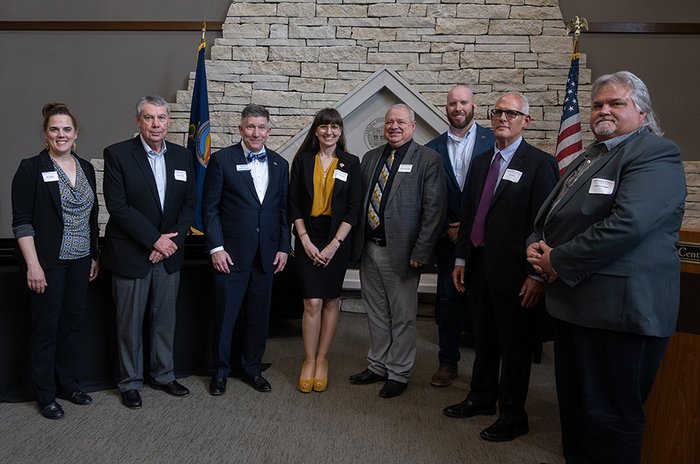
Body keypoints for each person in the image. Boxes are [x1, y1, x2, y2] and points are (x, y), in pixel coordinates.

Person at [526, 71, 686, 463]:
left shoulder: (655, 153)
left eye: (617, 103)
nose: (604, 111)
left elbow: (627, 224)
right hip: (576, 308)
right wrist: (535, 246)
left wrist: (557, 260)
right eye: (598, 104)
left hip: (618, 314)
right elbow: (555, 217)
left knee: (610, 420)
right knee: (578, 416)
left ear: (642, 112)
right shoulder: (594, 154)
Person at [443, 92, 559, 442]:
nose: (502, 118)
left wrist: (537, 274)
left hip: (517, 274)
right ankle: (480, 397)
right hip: (478, 268)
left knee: (514, 347)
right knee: (484, 340)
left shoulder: (540, 163)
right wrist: (461, 258)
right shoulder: (481, 162)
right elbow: (469, 215)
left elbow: (546, 225)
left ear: (526, 120)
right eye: (498, 112)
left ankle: (512, 414)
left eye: (511, 113)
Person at [103, 95, 196, 409]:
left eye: (161, 118)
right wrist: (155, 240)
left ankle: (164, 374)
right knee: (129, 323)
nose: (156, 124)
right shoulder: (117, 155)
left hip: (170, 255)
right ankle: (130, 382)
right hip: (132, 253)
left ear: (169, 121)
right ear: (138, 121)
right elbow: (118, 207)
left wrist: (170, 243)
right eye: (149, 118)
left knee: (164, 320)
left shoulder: (184, 157)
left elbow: (189, 206)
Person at [349, 103, 446, 398]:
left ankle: (399, 372)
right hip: (369, 249)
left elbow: (434, 211)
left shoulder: (429, 160)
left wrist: (422, 251)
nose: (394, 127)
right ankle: (377, 364)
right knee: (376, 313)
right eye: (390, 122)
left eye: (401, 122)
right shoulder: (370, 158)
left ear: (413, 126)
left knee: (402, 315)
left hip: (404, 253)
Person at [11, 103, 99, 420]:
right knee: (46, 329)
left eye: (66, 129)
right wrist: (33, 265)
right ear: (45, 134)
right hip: (48, 263)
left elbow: (91, 219)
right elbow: (22, 222)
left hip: (79, 262)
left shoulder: (86, 168)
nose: (61, 135)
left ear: (75, 134)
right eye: (54, 129)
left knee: (71, 326)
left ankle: (68, 384)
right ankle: (45, 393)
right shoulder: (30, 168)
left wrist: (93, 255)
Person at [203, 104, 290, 395]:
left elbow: (282, 211)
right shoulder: (222, 160)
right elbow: (210, 208)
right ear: (240, 129)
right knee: (225, 316)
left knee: (258, 316)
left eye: (261, 127)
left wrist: (284, 247)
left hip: (266, 256)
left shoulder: (280, 164)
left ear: (268, 130)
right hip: (231, 255)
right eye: (250, 127)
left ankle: (252, 368)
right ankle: (220, 372)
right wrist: (216, 247)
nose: (256, 132)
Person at [425, 84, 495, 387]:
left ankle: (485, 368)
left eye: (463, 102)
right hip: (447, 239)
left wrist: (467, 226)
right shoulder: (431, 149)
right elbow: (428, 199)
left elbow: (498, 196)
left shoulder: (494, 141)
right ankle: (447, 362)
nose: (458, 108)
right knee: (449, 301)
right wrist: (448, 227)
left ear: (474, 107)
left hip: (484, 240)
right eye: (453, 103)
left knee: (483, 304)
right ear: (446, 108)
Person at [288, 108, 361, 393]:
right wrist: (304, 240)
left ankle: (322, 359)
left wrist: (334, 245)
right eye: (324, 127)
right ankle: (308, 360)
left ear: (341, 132)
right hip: (308, 235)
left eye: (335, 127)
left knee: (331, 300)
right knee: (312, 302)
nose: (329, 132)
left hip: (337, 239)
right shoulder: (303, 161)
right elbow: (293, 202)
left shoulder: (351, 163)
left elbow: (354, 210)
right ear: (316, 131)